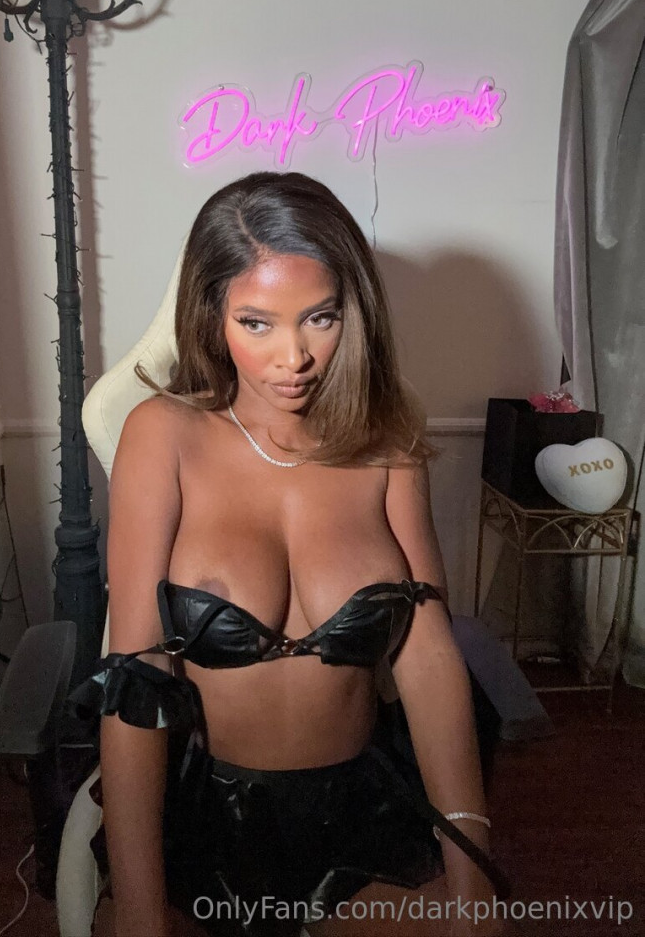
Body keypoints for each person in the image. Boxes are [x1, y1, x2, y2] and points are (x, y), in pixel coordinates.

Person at [74, 171, 513, 937]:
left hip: (366, 817)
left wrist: (471, 866)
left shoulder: (387, 441)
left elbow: (429, 657)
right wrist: (141, 911)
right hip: (209, 823)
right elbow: (138, 678)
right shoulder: (163, 436)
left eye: (320, 318)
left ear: (353, 310)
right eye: (256, 323)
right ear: (212, 315)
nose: (294, 357)